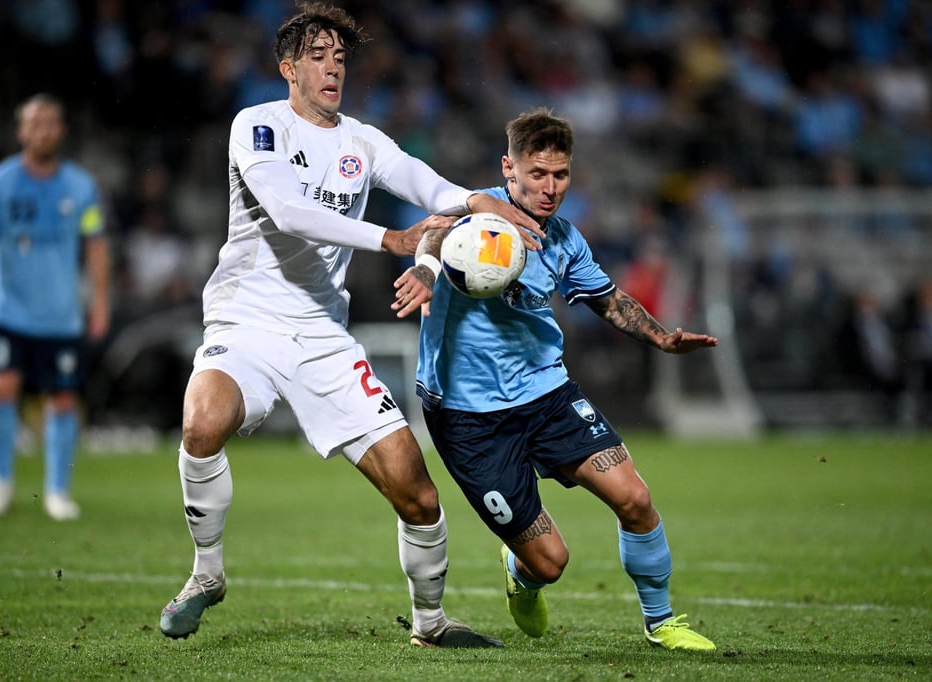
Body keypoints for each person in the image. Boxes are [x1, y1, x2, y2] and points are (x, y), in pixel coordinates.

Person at [157, 2, 543, 647]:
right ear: (288, 68)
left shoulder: (361, 143)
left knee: (416, 493)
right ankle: (206, 575)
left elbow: (427, 184)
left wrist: (486, 203)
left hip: (322, 336)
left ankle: (430, 623)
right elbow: (284, 210)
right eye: (318, 55)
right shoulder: (257, 126)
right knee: (202, 421)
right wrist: (393, 238)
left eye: (341, 56)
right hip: (245, 320)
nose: (333, 66)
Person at [392, 108, 718, 651]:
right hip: (467, 417)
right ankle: (522, 574)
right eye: (537, 174)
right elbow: (429, 235)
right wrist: (427, 274)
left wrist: (661, 338)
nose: (550, 188)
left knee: (634, 498)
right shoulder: (476, 215)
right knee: (551, 562)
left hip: (546, 394)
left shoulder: (564, 238)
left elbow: (608, 298)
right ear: (509, 169)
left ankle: (661, 622)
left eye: (560, 175)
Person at [0, 93, 111, 521]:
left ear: (61, 131)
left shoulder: (80, 187)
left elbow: (95, 245)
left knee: (63, 400)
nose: (43, 130)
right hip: (10, 309)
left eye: (51, 122)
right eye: (35, 123)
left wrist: (99, 300)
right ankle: (1, 482)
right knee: (2, 388)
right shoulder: (0, 184)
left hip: (62, 313)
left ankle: (56, 491)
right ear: (21, 131)